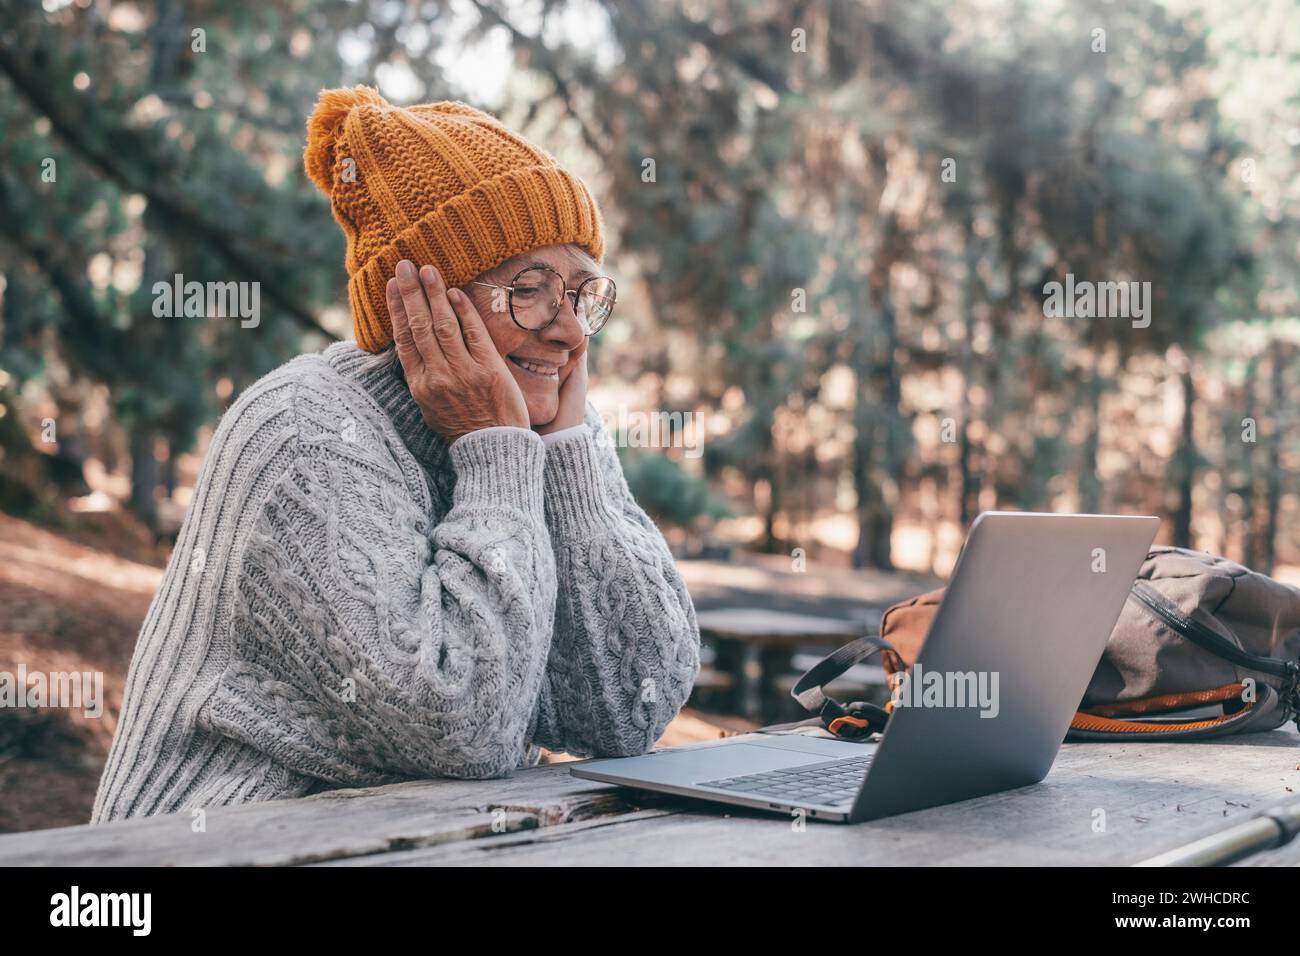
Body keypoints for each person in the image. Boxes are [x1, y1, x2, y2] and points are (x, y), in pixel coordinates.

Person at [92, 86, 701, 822]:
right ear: (423, 303)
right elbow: (464, 731)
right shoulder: (302, 433)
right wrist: (495, 452)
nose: (570, 331)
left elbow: (627, 711)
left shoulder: (536, 429)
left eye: (581, 293)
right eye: (530, 290)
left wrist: (567, 456)